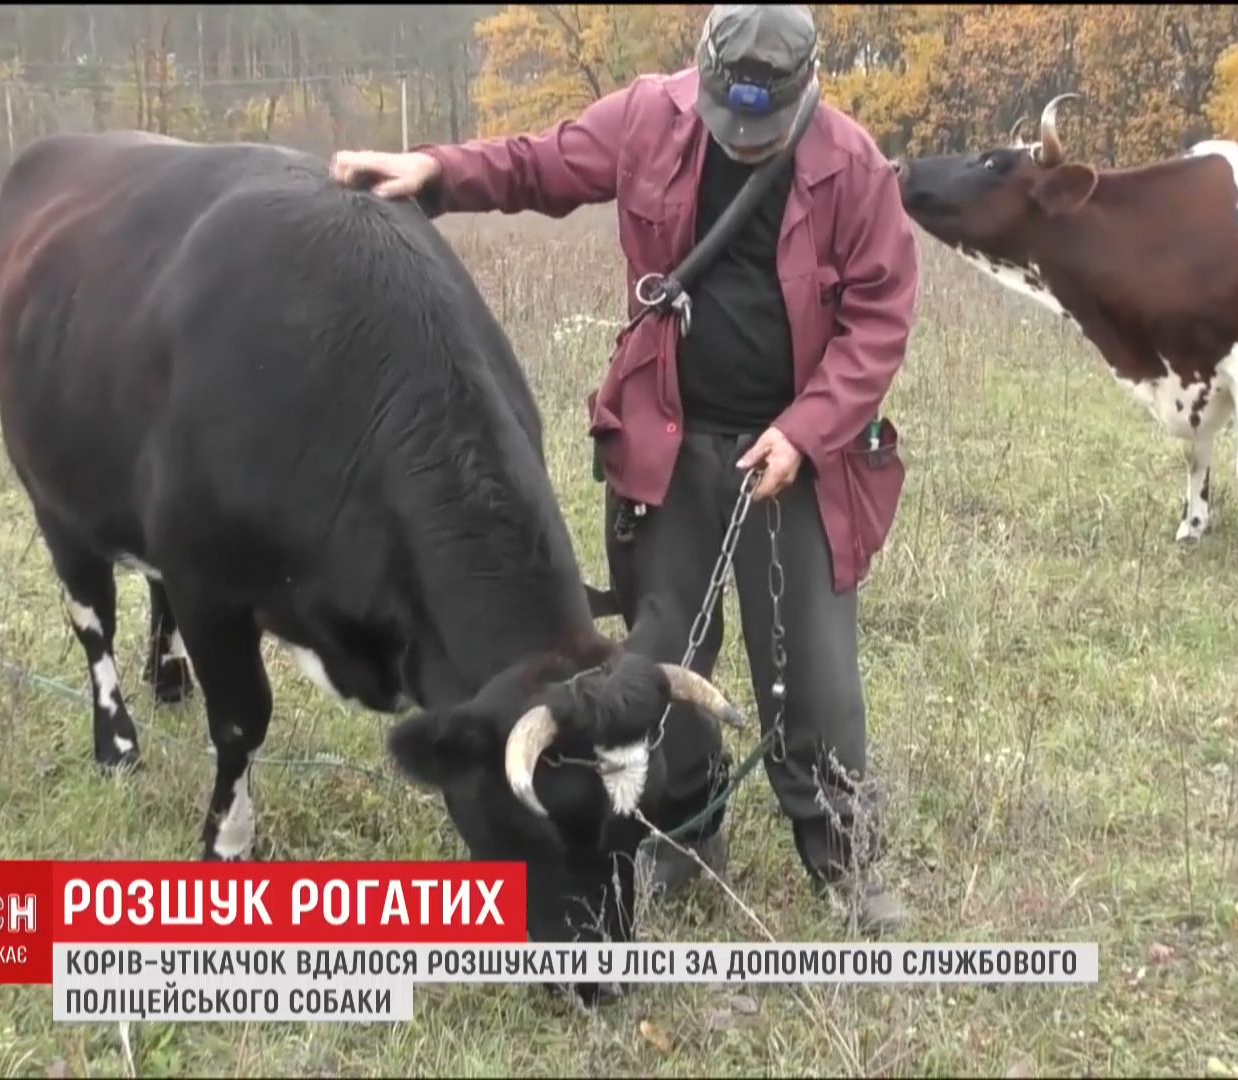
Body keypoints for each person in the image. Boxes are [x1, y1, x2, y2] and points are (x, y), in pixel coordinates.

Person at [330, 3, 918, 934]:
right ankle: (683, 835)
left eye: (767, 131)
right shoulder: (651, 116)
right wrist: (437, 171)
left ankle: (844, 856)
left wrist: (806, 431)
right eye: (734, 122)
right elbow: (542, 161)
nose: (747, 143)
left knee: (812, 670)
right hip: (667, 441)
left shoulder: (852, 168)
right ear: (704, 76)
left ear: (808, 90)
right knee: (659, 660)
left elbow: (879, 318)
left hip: (798, 458)